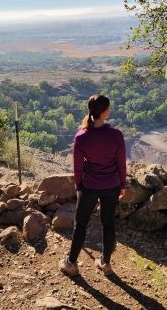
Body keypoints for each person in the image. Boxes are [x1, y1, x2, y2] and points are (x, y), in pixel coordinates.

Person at [59, 94, 126, 277]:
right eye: (108, 109)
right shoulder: (116, 135)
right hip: (111, 185)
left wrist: (79, 185)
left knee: (80, 224)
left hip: (88, 186)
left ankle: (71, 263)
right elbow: (121, 163)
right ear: (104, 112)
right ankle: (105, 263)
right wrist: (122, 184)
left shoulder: (81, 136)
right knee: (108, 223)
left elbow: (78, 166)